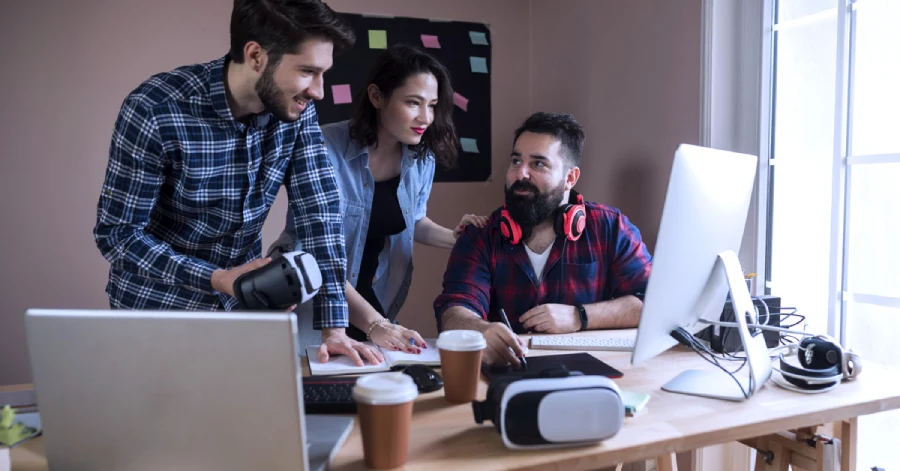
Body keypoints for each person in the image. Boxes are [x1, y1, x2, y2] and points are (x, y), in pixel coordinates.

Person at [93, 0, 383, 364]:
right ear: (256, 55)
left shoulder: (297, 113)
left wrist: (335, 329)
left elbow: (319, 215)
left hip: (242, 318)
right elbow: (118, 235)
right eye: (308, 71)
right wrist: (218, 278)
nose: (319, 91)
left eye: (323, 73)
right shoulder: (156, 109)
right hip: (156, 314)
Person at [270, 45, 487, 361]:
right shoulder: (321, 147)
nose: (425, 117)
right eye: (413, 103)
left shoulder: (420, 159)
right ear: (376, 96)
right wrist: (377, 325)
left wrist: (456, 238)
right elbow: (313, 255)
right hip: (310, 301)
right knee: (313, 387)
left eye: (433, 105)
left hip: (372, 303)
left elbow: (414, 222)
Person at [433, 112, 653, 366]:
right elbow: (453, 310)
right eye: (516, 161)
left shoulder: (611, 228)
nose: (521, 174)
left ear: (570, 178)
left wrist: (579, 316)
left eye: (538, 164)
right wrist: (481, 330)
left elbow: (651, 303)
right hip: (509, 376)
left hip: (589, 377)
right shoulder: (480, 235)